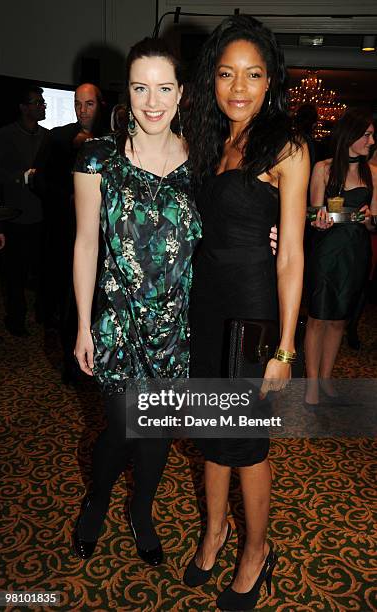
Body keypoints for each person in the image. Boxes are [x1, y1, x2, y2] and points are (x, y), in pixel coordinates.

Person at [184, 15, 309, 611]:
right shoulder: (210, 142)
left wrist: (285, 348)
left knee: (248, 444)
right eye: (228, 73)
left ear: (270, 80)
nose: (239, 87)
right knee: (211, 437)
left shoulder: (286, 145)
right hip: (205, 309)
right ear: (212, 79)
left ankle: (255, 550)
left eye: (253, 74)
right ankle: (215, 531)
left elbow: (291, 259)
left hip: (253, 315)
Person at [72, 38, 201, 565]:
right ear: (125, 90)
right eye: (140, 87)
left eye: (164, 88)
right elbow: (85, 243)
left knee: (157, 439)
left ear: (181, 93)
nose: (152, 101)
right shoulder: (97, 159)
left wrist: (268, 240)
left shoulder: (202, 162)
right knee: (122, 431)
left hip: (177, 328)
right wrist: (83, 325)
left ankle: (140, 512)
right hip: (120, 326)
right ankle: (97, 501)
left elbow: (221, 237)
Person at [305, 109, 376, 404]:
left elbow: (374, 221)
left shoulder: (372, 173)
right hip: (326, 250)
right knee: (318, 317)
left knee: (338, 320)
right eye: (367, 134)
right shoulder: (323, 168)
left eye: (372, 135)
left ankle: (326, 378)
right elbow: (311, 214)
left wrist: (369, 218)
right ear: (351, 134)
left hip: (356, 252)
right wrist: (317, 219)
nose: (372, 140)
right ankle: (310, 385)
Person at [38, 83, 106, 382]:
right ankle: (73, 368)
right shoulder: (58, 137)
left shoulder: (112, 140)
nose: (82, 110)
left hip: (106, 240)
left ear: (99, 105)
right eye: (78, 104)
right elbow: (40, 181)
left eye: (89, 104)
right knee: (71, 303)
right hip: (68, 234)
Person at [0, 85, 49, 336]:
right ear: (23, 107)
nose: (42, 106)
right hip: (14, 217)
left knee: (42, 272)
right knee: (14, 275)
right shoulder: (4, 136)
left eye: (43, 102)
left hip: (42, 216)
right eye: (37, 102)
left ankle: (43, 315)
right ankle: (15, 319)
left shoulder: (48, 137)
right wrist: (22, 177)